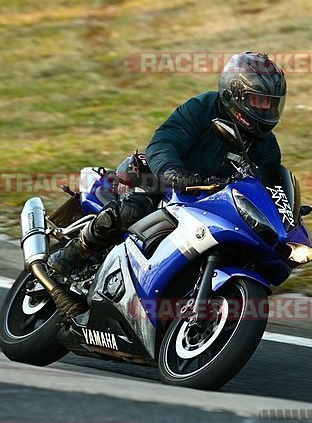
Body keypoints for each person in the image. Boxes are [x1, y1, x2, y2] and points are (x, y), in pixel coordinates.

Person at [48, 51, 287, 276]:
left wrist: (288, 214)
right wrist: (172, 172)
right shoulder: (203, 108)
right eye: (258, 101)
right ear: (233, 93)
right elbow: (165, 141)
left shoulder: (267, 145)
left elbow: (269, 185)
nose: (266, 109)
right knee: (136, 206)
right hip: (162, 181)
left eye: (270, 103)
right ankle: (77, 251)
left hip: (210, 203)